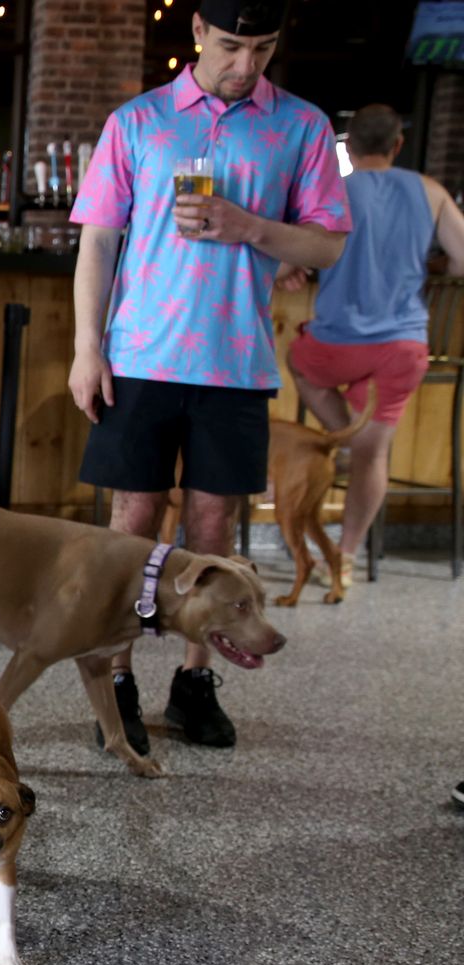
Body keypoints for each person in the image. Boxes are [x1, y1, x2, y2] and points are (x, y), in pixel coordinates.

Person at [69, 0, 349, 753]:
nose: (245, 65)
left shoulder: (302, 126)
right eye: (230, 46)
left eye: (262, 49)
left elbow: (327, 247)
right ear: (196, 31)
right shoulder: (138, 122)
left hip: (235, 360)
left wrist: (251, 227)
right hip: (139, 356)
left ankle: (195, 684)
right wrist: (84, 348)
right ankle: (116, 682)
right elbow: (97, 242)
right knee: (130, 526)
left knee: (214, 530)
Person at [283, 103, 464, 590]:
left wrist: (292, 270)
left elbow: (290, 259)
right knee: (374, 455)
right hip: (403, 348)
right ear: (397, 145)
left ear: (349, 146)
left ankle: (341, 435)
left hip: (335, 344)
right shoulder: (430, 191)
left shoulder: (332, 192)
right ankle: (346, 554)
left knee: (297, 360)